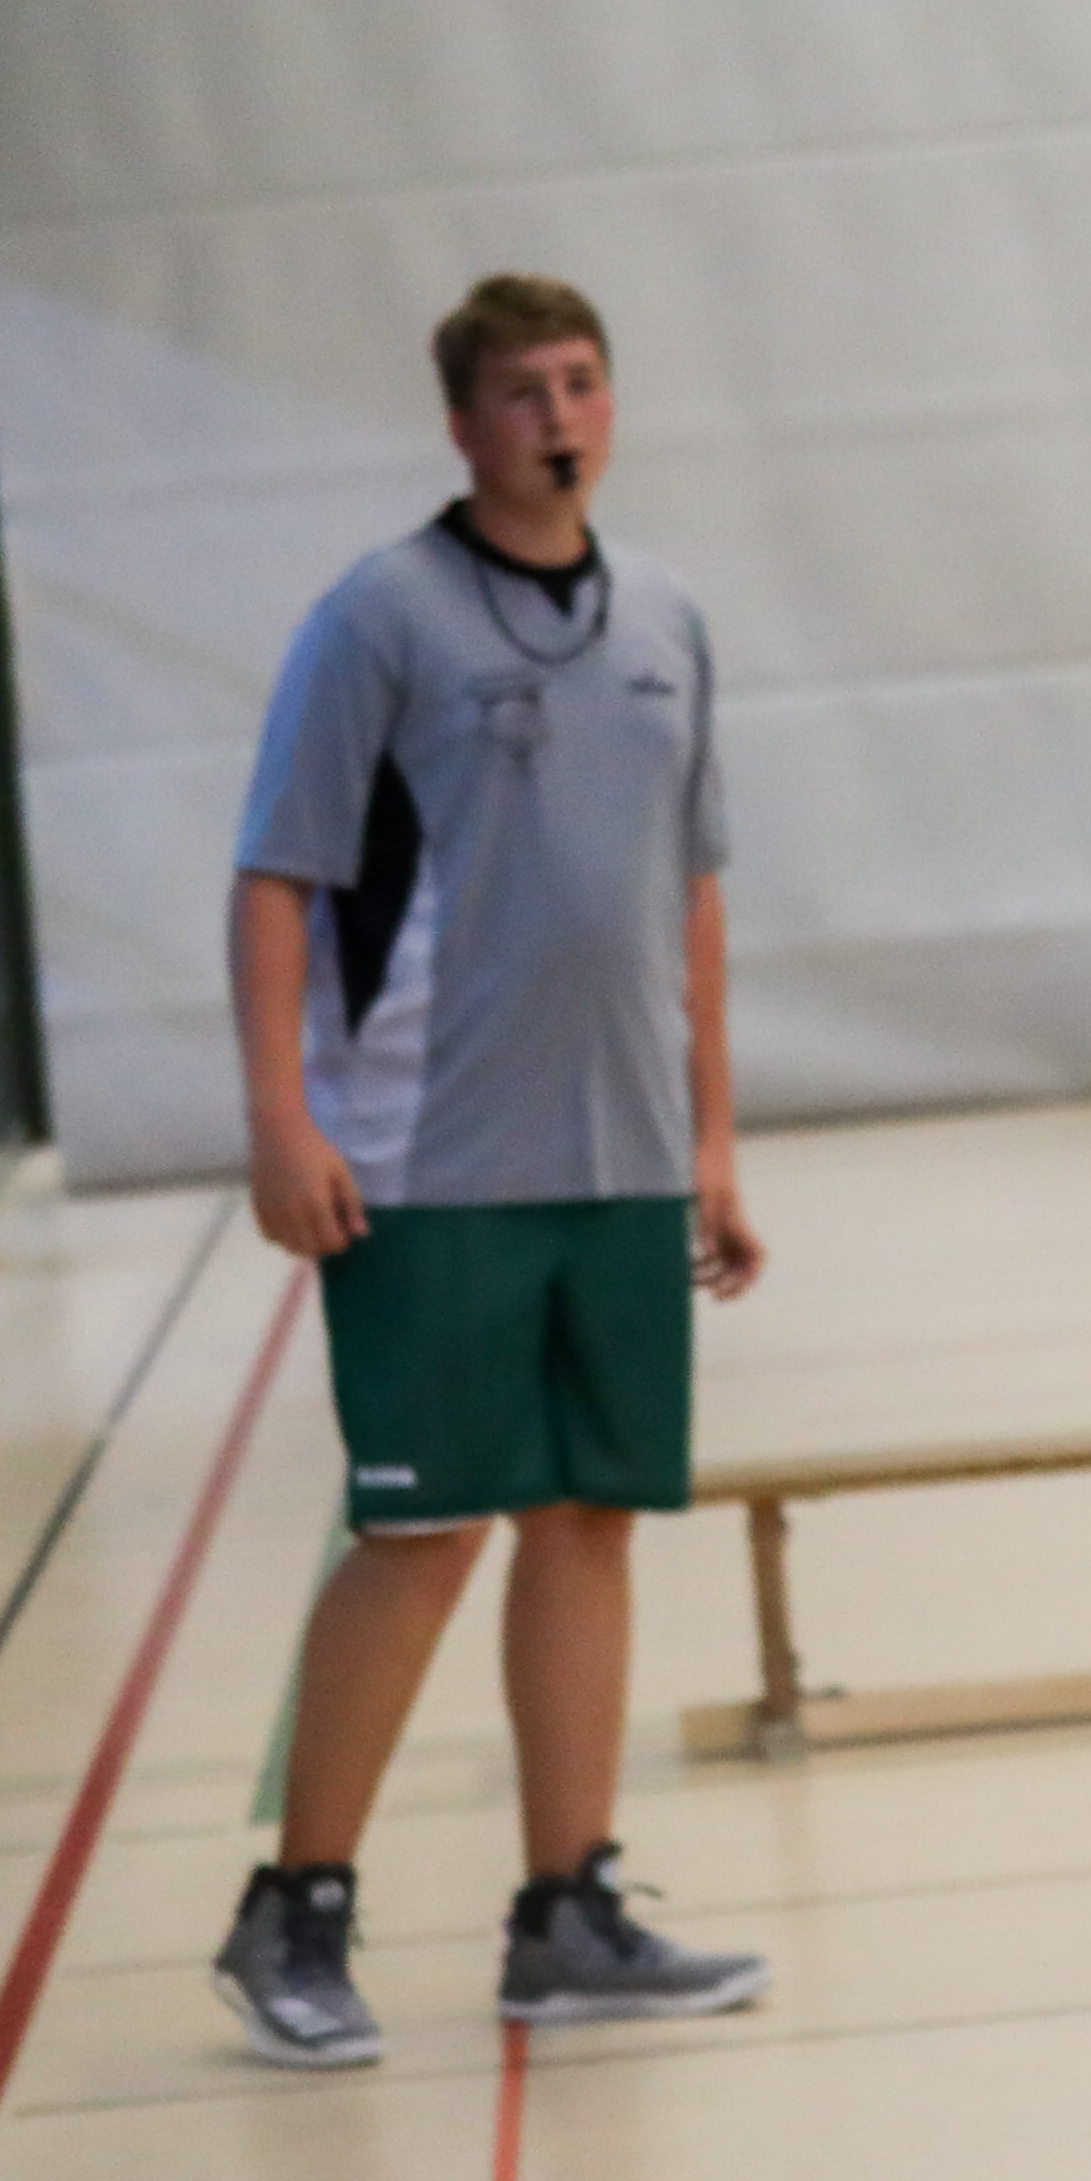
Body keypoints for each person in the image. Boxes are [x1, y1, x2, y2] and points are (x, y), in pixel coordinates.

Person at [210, 277, 767, 2069]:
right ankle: (295, 1910)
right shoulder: (379, 618)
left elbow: (690, 893)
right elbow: (278, 878)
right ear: (462, 426)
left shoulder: (666, 614)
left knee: (589, 1518)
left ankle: (567, 1913)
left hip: (621, 1155)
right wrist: (281, 1118)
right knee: (424, 1530)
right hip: (427, 1164)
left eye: (583, 383)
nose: (559, 417)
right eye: (523, 392)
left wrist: (712, 1139)